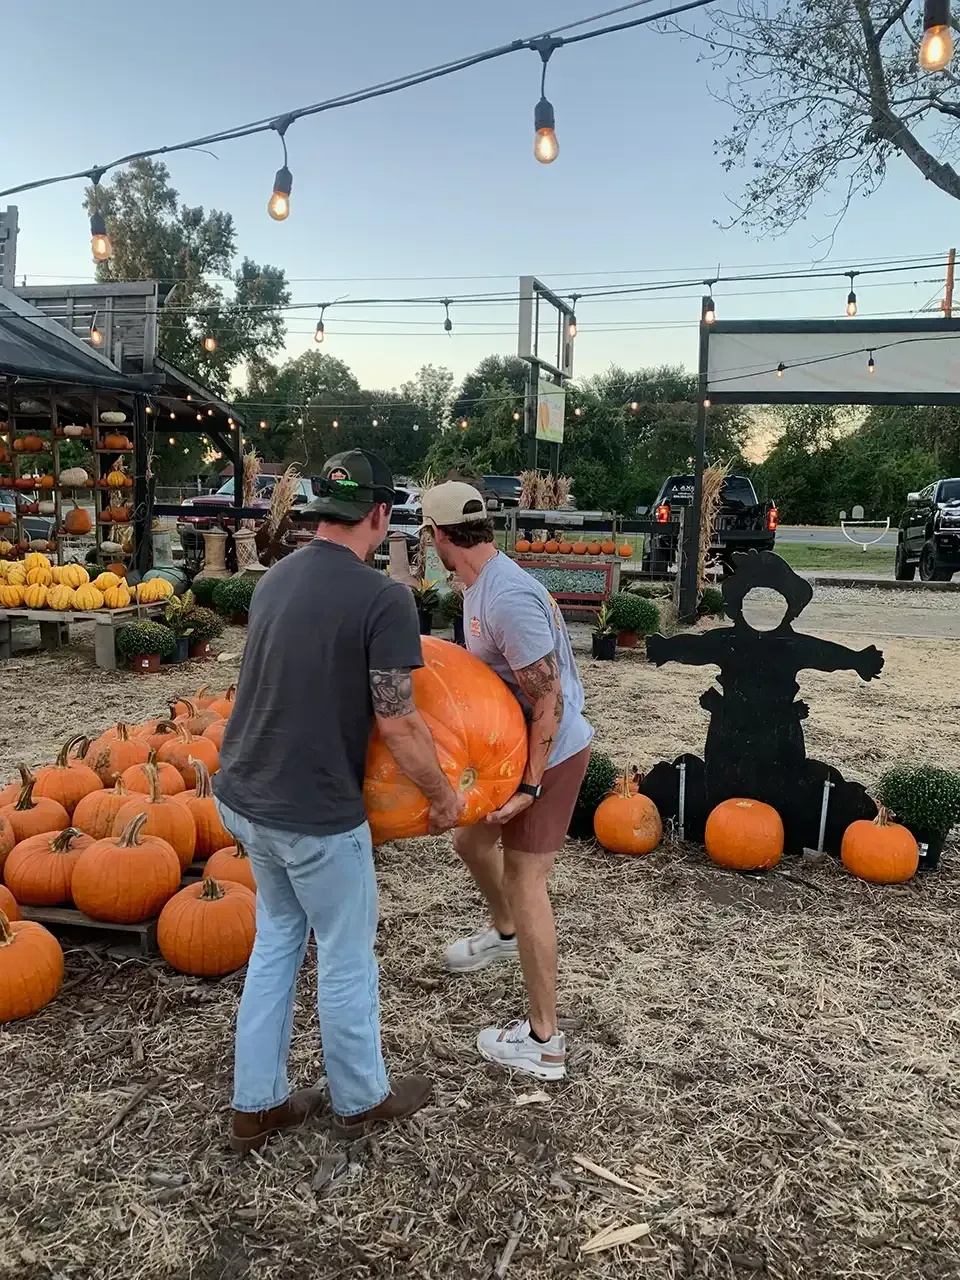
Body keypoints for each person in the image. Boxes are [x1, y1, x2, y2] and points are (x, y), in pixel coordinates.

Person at [215, 449, 464, 1154]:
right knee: (346, 953)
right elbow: (399, 720)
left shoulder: (274, 579)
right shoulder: (382, 598)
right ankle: (362, 1098)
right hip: (314, 812)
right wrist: (442, 796)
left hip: (244, 792)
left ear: (322, 509)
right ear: (382, 516)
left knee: (277, 942)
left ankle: (255, 1104)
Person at [422, 481, 593, 1081]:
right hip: (512, 751)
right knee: (470, 842)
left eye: (426, 535)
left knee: (527, 880)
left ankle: (544, 1041)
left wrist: (532, 787)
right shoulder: (477, 587)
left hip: (551, 755)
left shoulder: (507, 598)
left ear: (439, 536)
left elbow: (547, 703)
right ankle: (504, 931)